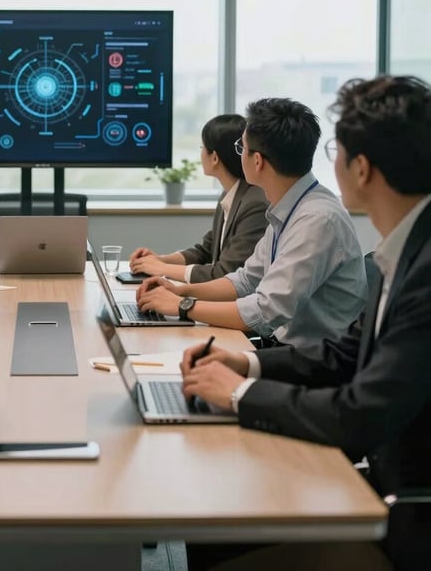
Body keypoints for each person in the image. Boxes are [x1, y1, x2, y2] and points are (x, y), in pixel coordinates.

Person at [179, 75, 431, 570]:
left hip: (402, 515)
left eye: (336, 149)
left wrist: (236, 393)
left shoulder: (420, 271)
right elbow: (343, 355)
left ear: (360, 168)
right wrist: (246, 364)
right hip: (378, 479)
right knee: (209, 527)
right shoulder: (400, 252)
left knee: (215, 519)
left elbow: (362, 412)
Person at [137, 97, 367, 349]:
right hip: (283, 349)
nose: (239, 154)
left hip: (312, 363)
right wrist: (180, 292)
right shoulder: (290, 207)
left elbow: (265, 311)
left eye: (241, 147)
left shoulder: (316, 220)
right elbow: (246, 280)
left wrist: (184, 306)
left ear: (257, 161)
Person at [129, 114, 268, 282]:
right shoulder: (230, 194)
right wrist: (159, 260)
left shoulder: (255, 203)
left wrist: (162, 269)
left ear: (215, 157)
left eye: (202, 147)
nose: (201, 153)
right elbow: (206, 250)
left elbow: (224, 273)